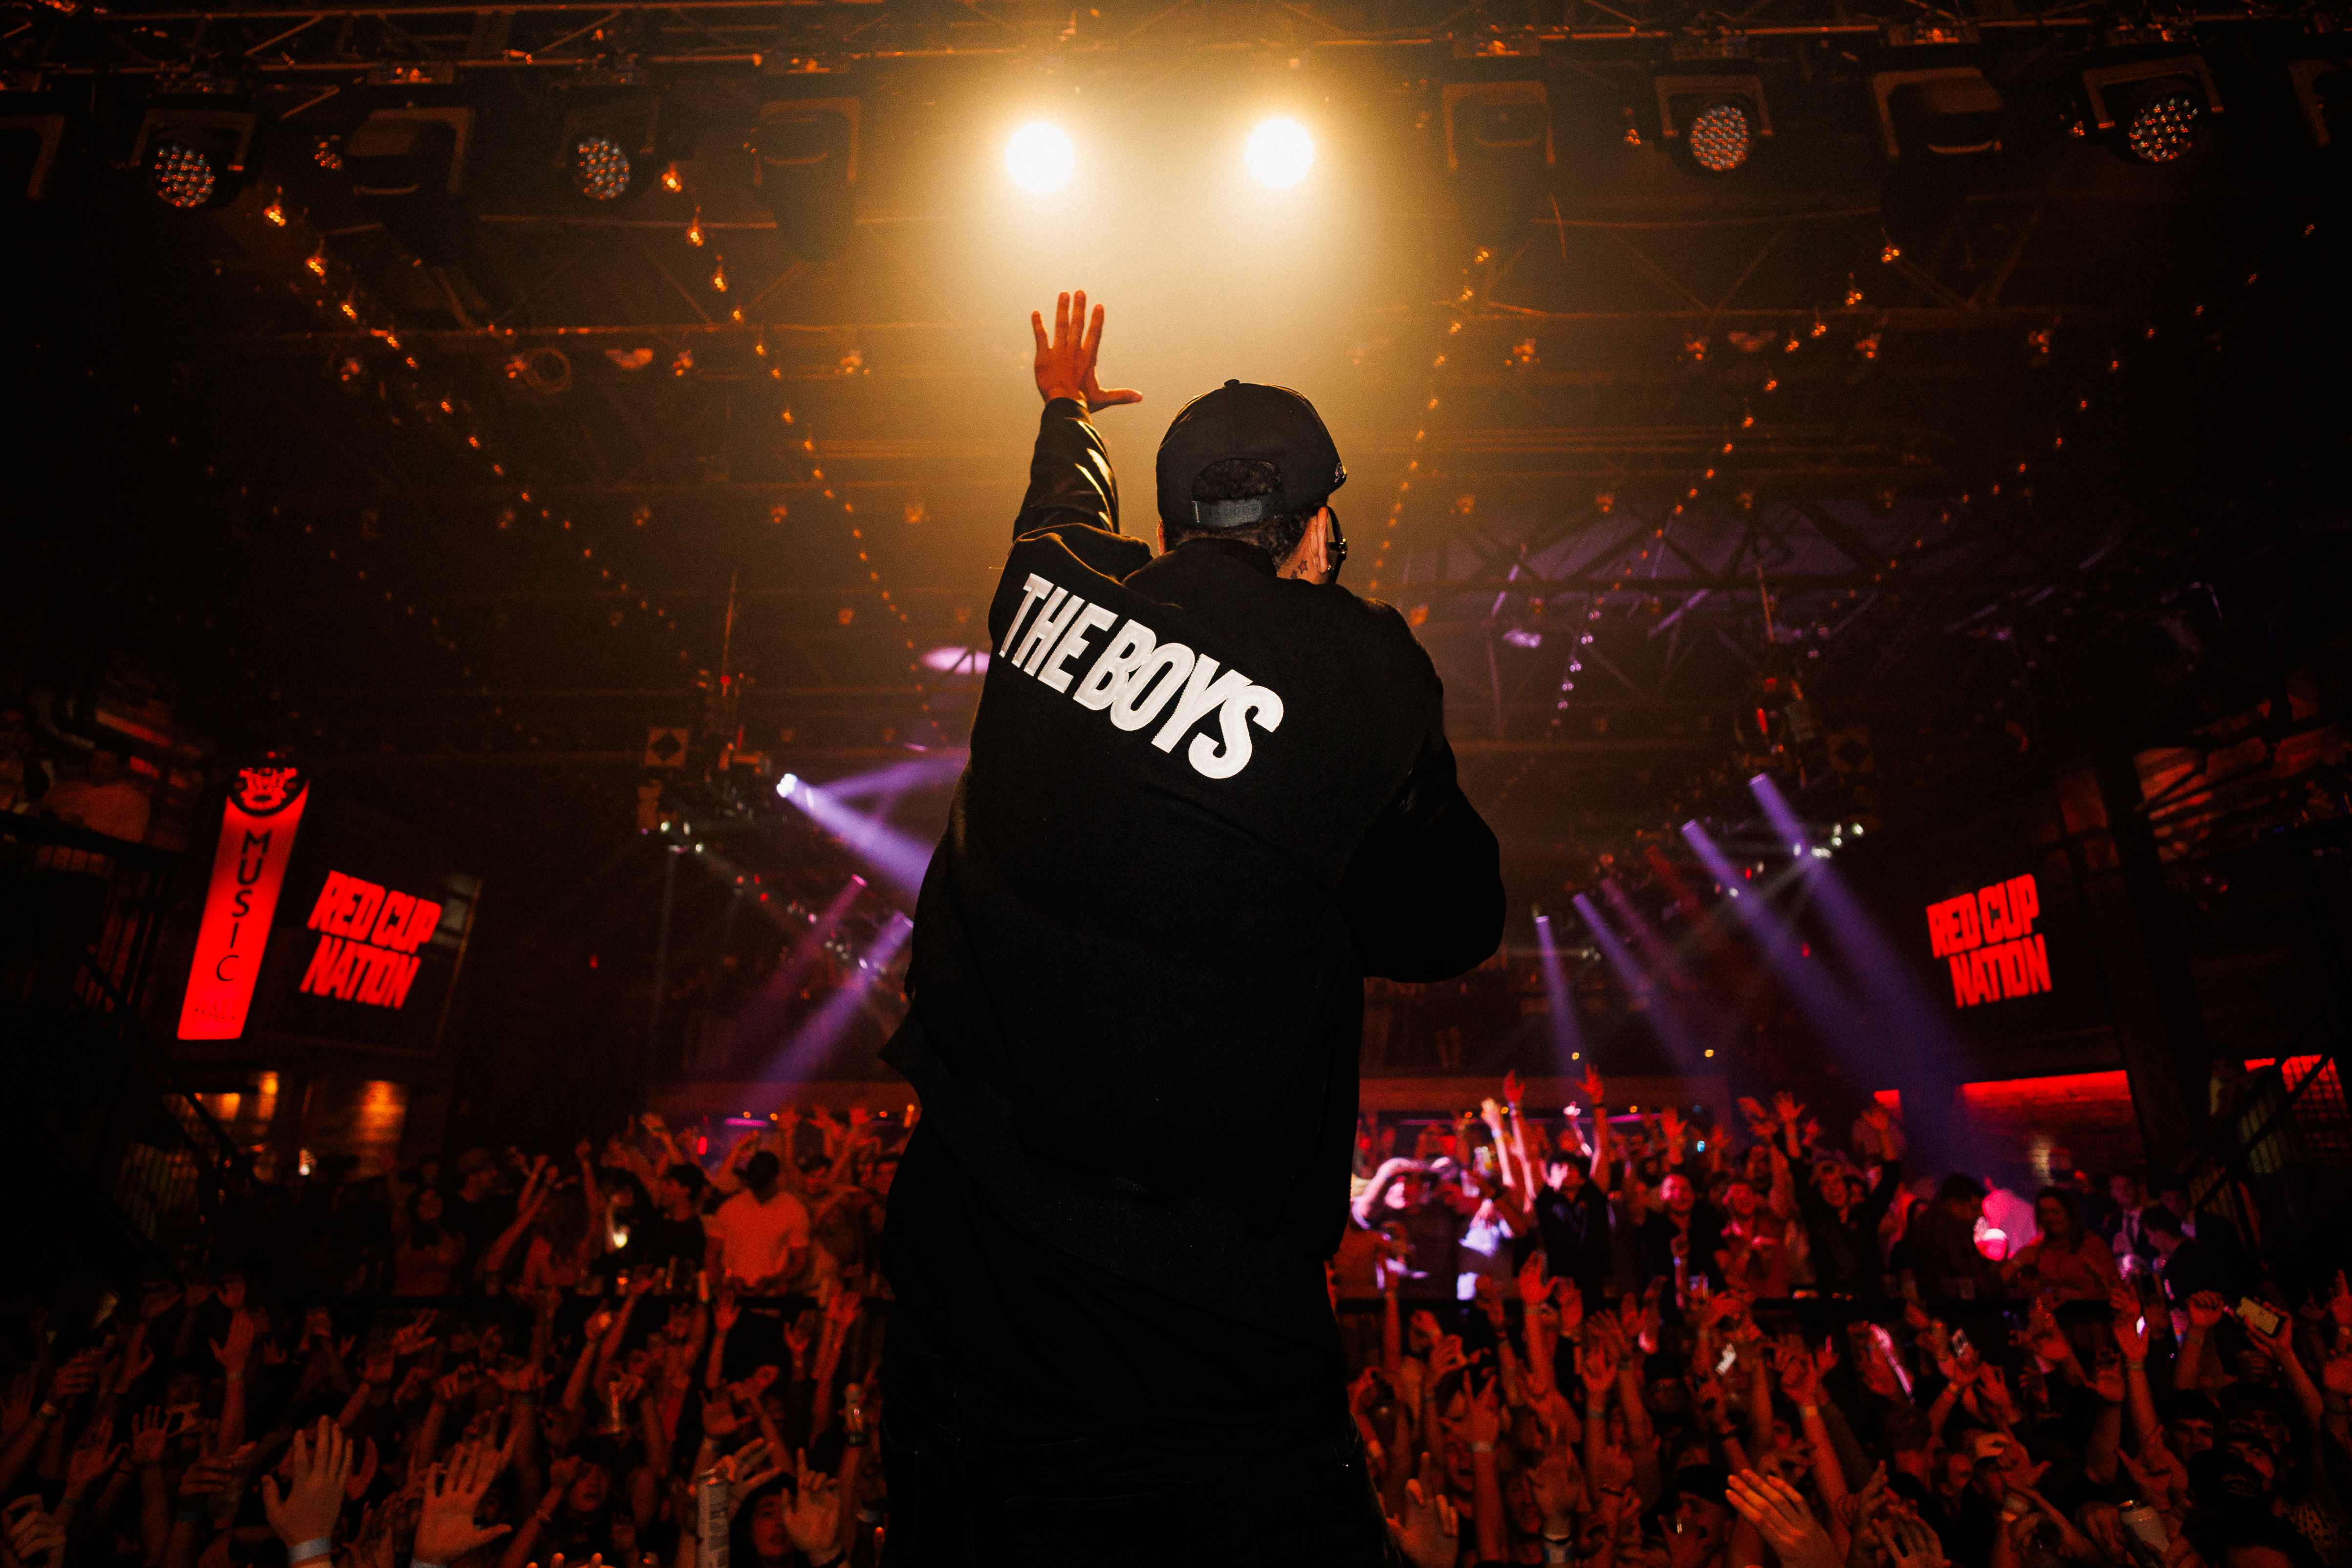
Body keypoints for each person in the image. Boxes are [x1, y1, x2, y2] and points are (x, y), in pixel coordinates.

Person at [876, 290, 1504, 1564]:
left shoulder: (1049, 589)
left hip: (963, 1244)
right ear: (1316, 524)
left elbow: (1057, 512)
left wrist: (1063, 404)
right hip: (1194, 1309)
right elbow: (1454, 922)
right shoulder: (1361, 664)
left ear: (1167, 528)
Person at [708, 1151, 811, 1291]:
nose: (759, 1191)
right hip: (731, 1299)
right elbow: (712, 1253)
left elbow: (800, 1260)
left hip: (770, 1302)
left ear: (776, 1178)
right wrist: (725, 1280)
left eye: (763, 1184)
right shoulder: (729, 1208)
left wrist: (774, 1281)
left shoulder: (794, 1210)